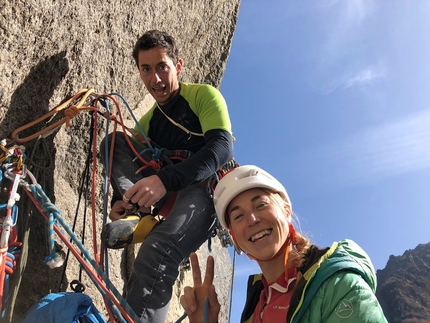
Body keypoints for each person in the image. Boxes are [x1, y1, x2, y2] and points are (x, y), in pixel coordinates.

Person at [99, 30, 234, 322]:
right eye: (146, 69)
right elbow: (123, 153)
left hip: (201, 191)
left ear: (178, 66)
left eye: (162, 66)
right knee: (115, 141)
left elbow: (221, 148)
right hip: (165, 193)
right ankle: (134, 210)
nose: (155, 79)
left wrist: (163, 181)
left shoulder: (202, 96)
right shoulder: (150, 121)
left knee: (158, 251)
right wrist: (120, 197)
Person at [180, 165, 388, 323]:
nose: (252, 219)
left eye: (261, 204)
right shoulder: (255, 307)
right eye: (239, 216)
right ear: (236, 240)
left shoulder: (339, 286)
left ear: (286, 211)